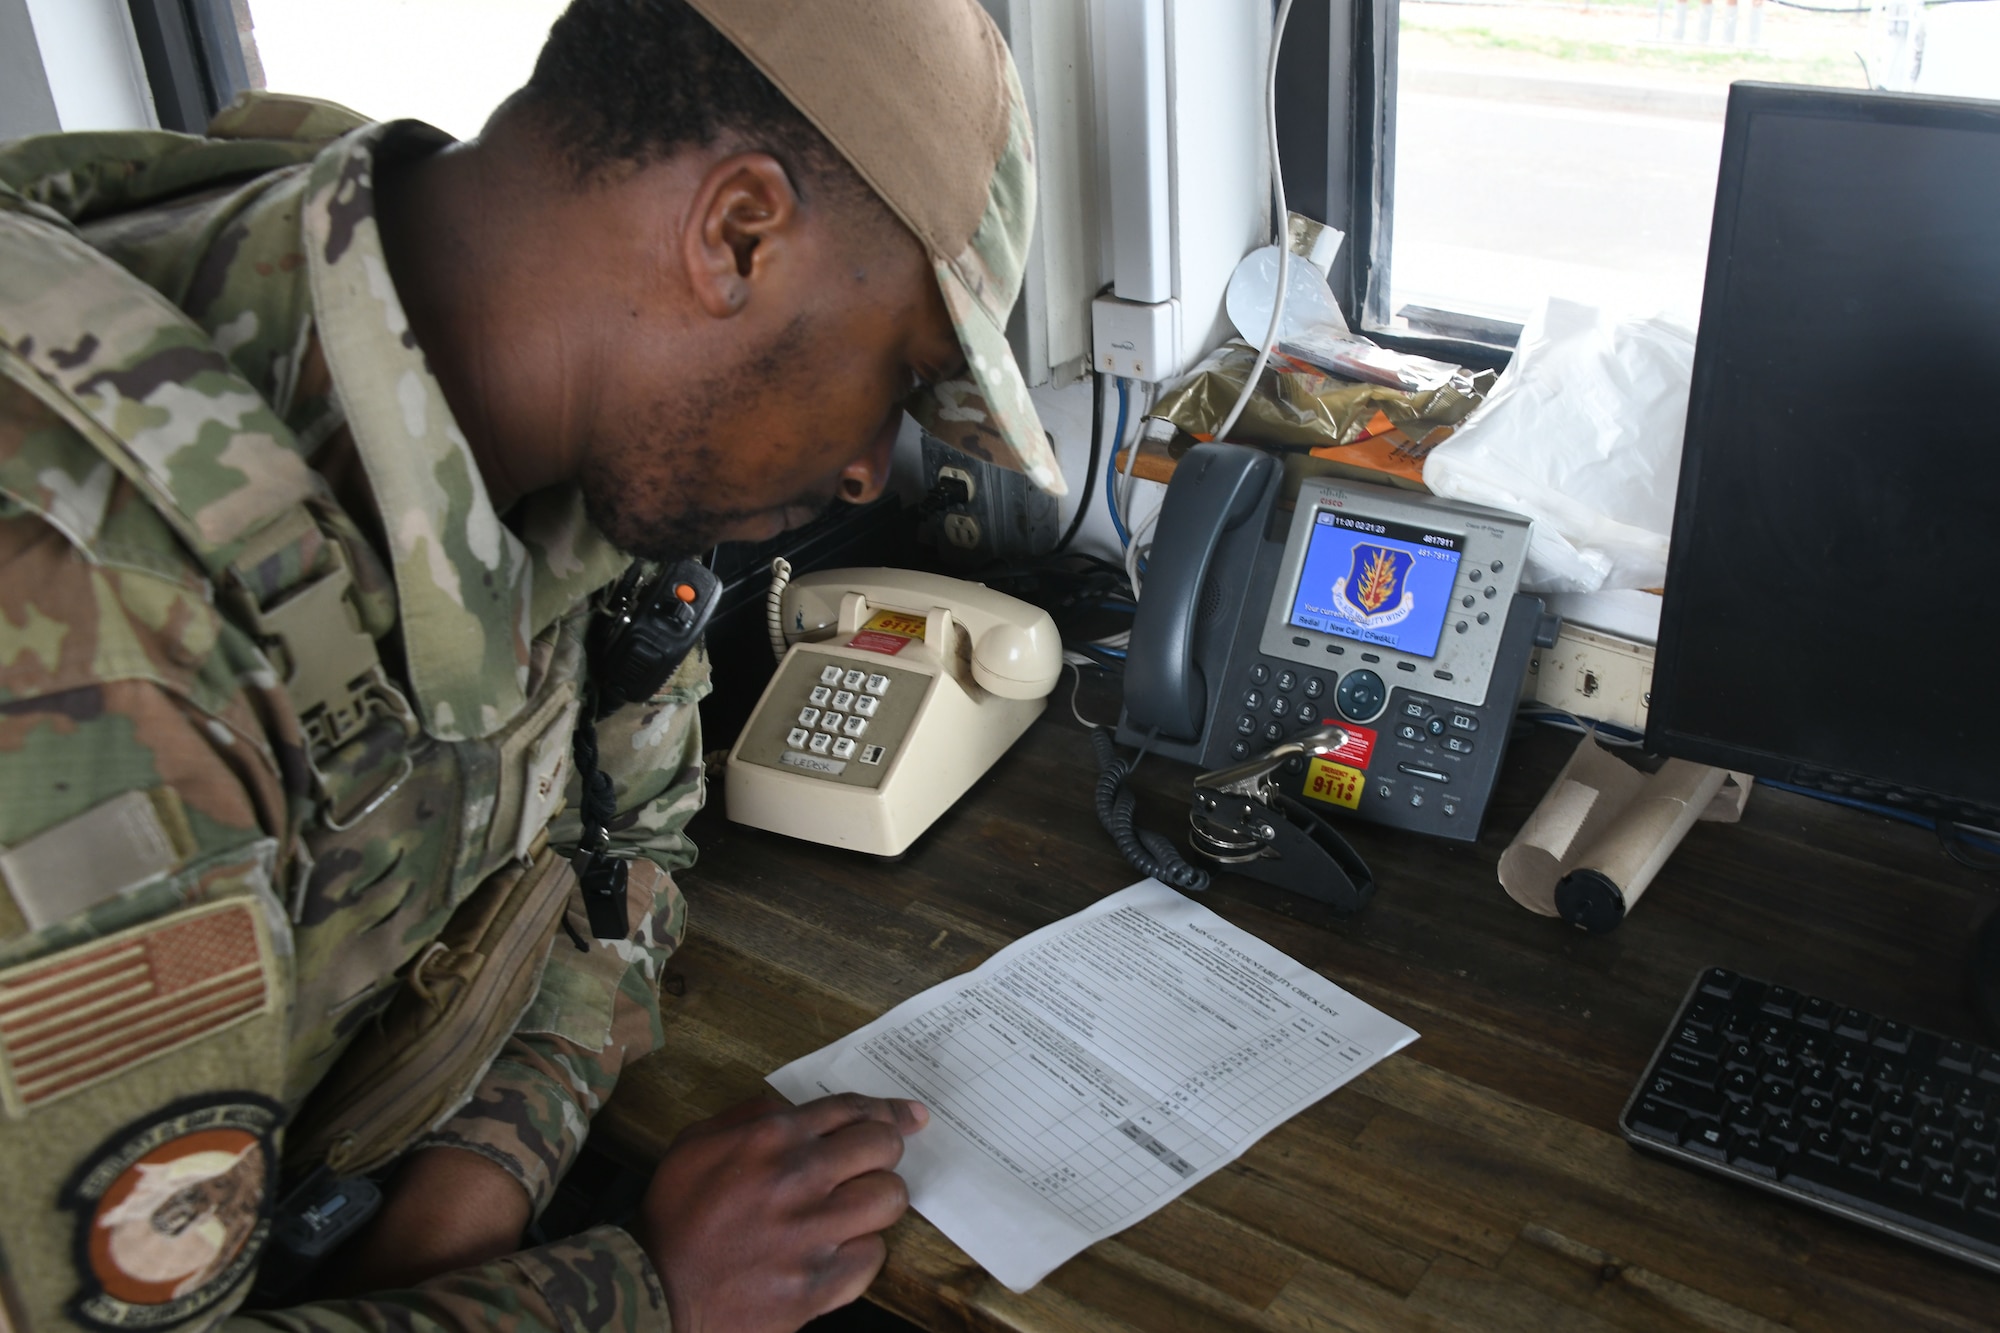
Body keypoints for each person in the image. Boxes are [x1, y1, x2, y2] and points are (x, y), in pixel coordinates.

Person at [0, 1, 1063, 1330]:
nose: (866, 467)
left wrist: (481, 1178)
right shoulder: (107, 645)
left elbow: (634, 855)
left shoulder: (553, 405)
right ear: (738, 234)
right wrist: (648, 1292)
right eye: (900, 375)